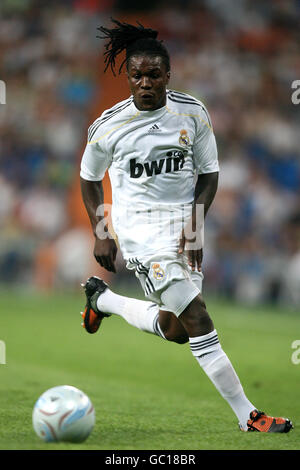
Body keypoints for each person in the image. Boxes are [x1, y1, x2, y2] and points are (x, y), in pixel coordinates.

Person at [79, 18, 292, 433]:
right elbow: (89, 178)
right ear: (127, 78)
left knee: (177, 329)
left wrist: (194, 225)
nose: (145, 83)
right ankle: (249, 416)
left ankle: (102, 301)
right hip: (141, 235)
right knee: (198, 318)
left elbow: (209, 174)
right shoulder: (108, 126)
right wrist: (102, 230)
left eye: (153, 75)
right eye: (137, 75)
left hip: (184, 230)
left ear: (167, 75)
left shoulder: (192, 113)